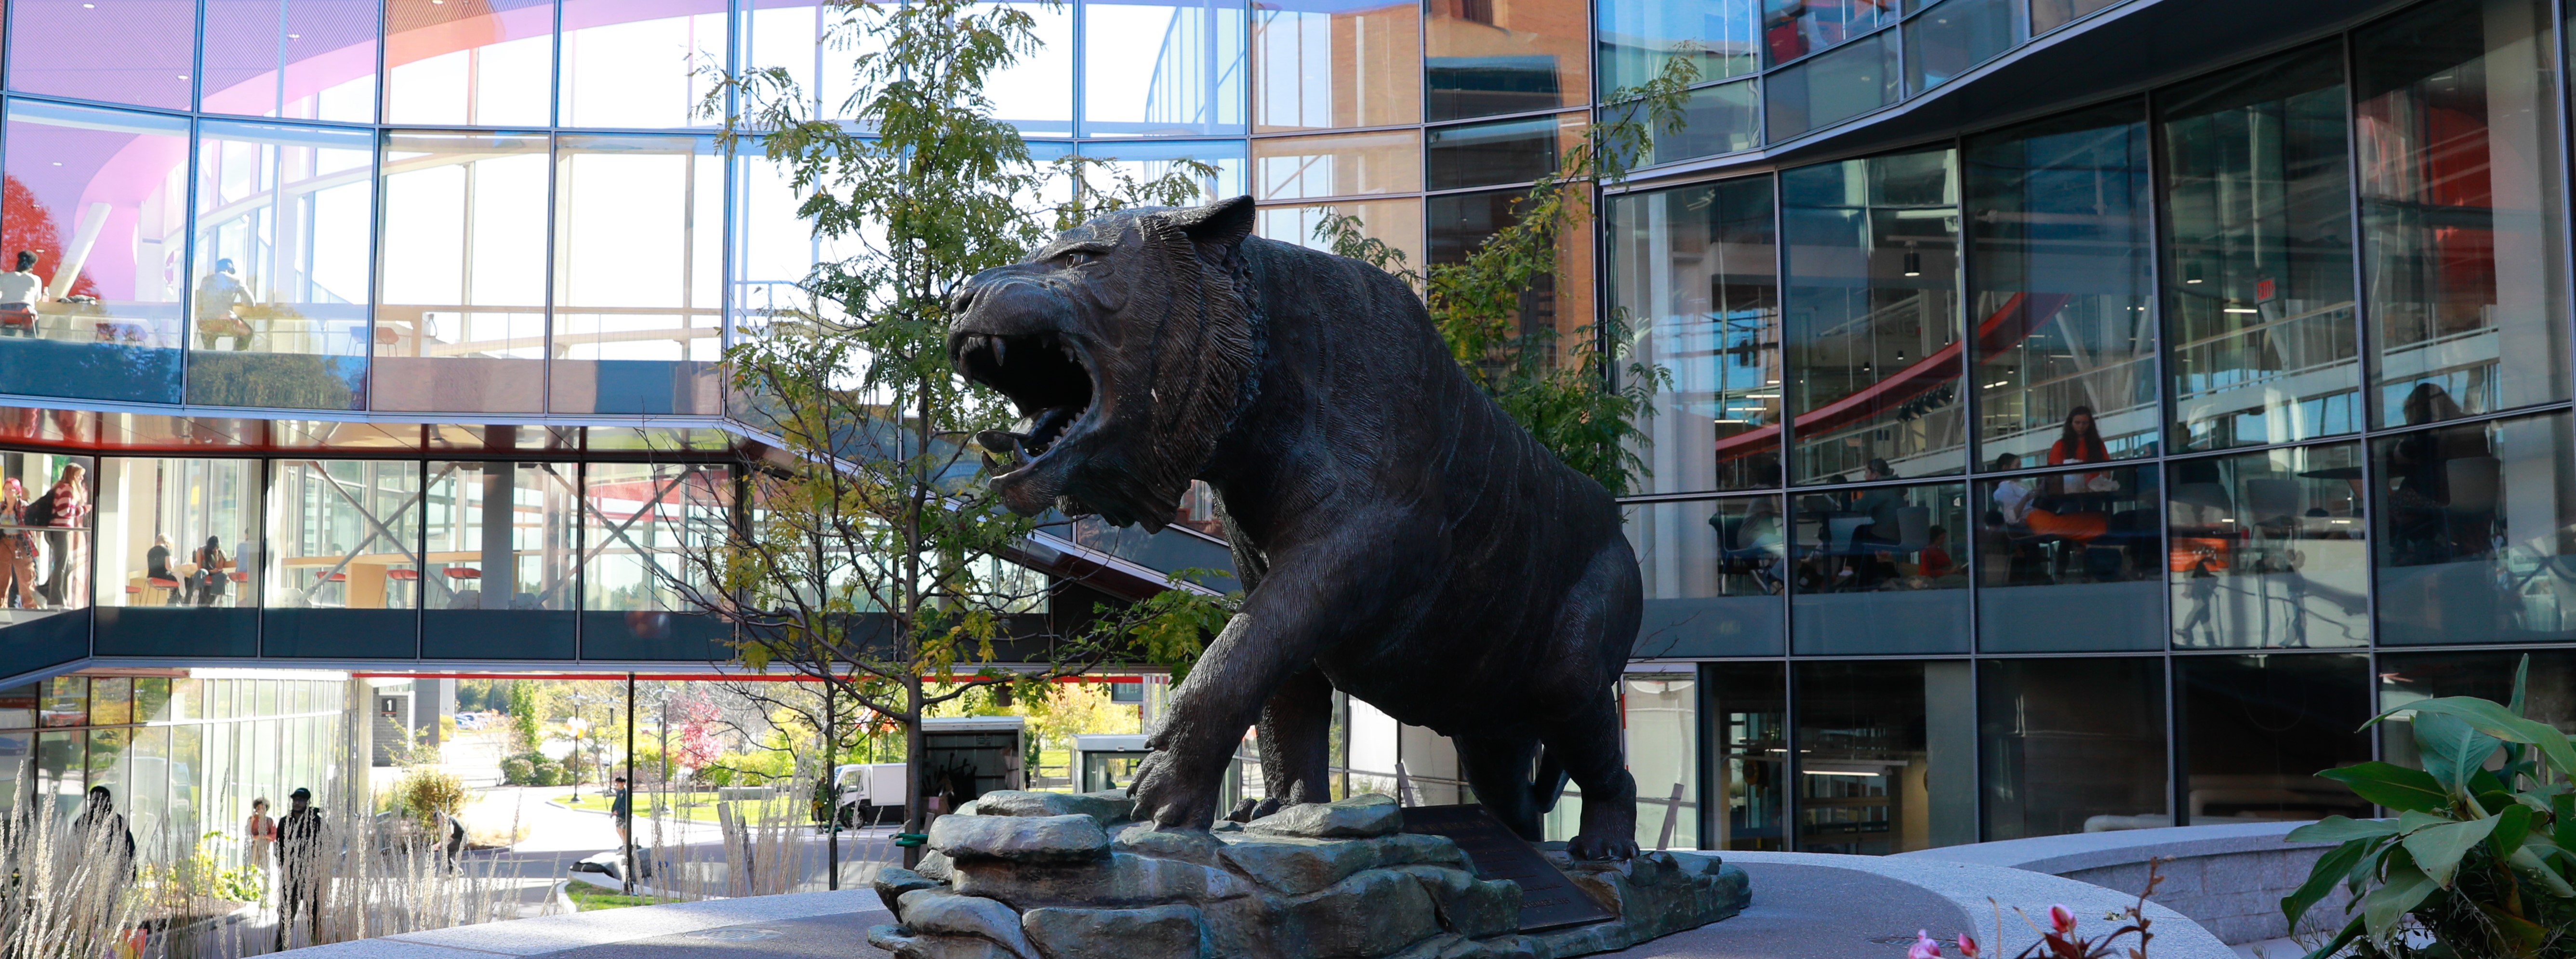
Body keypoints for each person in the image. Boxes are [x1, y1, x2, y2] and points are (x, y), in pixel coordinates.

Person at [276, 787, 325, 950]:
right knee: (285, 915)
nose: (297, 802)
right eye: (295, 799)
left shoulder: (317, 821)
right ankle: (280, 951)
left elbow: (326, 844)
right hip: (290, 875)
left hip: (311, 876)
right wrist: (284, 869)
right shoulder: (285, 821)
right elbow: (280, 847)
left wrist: (316, 866)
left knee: (313, 915)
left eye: (301, 800)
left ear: (307, 802)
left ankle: (316, 948)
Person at [37, 464, 84, 609]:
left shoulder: (59, 487)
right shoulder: (68, 488)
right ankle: (56, 600)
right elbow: (64, 511)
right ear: (74, 476)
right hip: (60, 530)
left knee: (67, 564)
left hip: (53, 530)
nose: (82, 478)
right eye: (80, 475)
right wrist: (80, 510)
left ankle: (45, 590)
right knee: (61, 565)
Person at [70, 785, 136, 881]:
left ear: (108, 800)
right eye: (92, 800)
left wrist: (130, 875)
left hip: (110, 877)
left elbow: (129, 848)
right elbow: (73, 847)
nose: (95, 803)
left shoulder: (117, 822)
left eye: (98, 799)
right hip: (86, 876)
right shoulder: (83, 821)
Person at [195, 258, 254, 350]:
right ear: (230, 269)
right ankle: (234, 357)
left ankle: (210, 358)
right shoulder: (236, 280)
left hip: (206, 323)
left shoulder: (206, 280)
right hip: (227, 322)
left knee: (209, 336)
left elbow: (199, 302)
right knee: (248, 332)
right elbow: (251, 303)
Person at [1, 478, 37, 609]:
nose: (8, 492)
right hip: (4, 542)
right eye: (6, 489)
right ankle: (1, 607)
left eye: (12, 489)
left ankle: (30, 607)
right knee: (2, 576)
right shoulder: (1, 506)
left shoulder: (24, 507)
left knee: (25, 576)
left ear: (18, 491)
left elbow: (31, 524)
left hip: (19, 543)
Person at [0, 250, 45, 338]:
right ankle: (30, 343)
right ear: (32, 267)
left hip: (4, 314)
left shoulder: (5, 277)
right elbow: (38, 298)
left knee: (8, 333)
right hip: (25, 314)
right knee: (33, 318)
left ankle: (7, 340)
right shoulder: (35, 279)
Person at [193, 536, 229, 607]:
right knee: (201, 572)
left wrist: (216, 558)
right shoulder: (201, 551)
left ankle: (220, 602)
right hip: (205, 571)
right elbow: (200, 567)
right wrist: (210, 571)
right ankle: (195, 596)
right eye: (214, 547)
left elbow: (220, 569)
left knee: (222, 576)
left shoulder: (221, 553)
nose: (215, 549)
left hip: (215, 573)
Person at [245, 797, 278, 870]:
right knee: (253, 867)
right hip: (254, 847)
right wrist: (253, 819)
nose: (261, 810)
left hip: (266, 846)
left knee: (266, 867)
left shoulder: (270, 820)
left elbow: (275, 835)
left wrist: (261, 837)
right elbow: (248, 833)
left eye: (263, 808)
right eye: (259, 808)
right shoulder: (251, 819)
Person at [146, 534, 174, 604]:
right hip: (164, 578)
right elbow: (169, 567)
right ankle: (174, 601)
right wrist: (173, 562)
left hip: (152, 579)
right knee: (185, 580)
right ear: (167, 543)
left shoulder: (150, 551)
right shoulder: (165, 550)